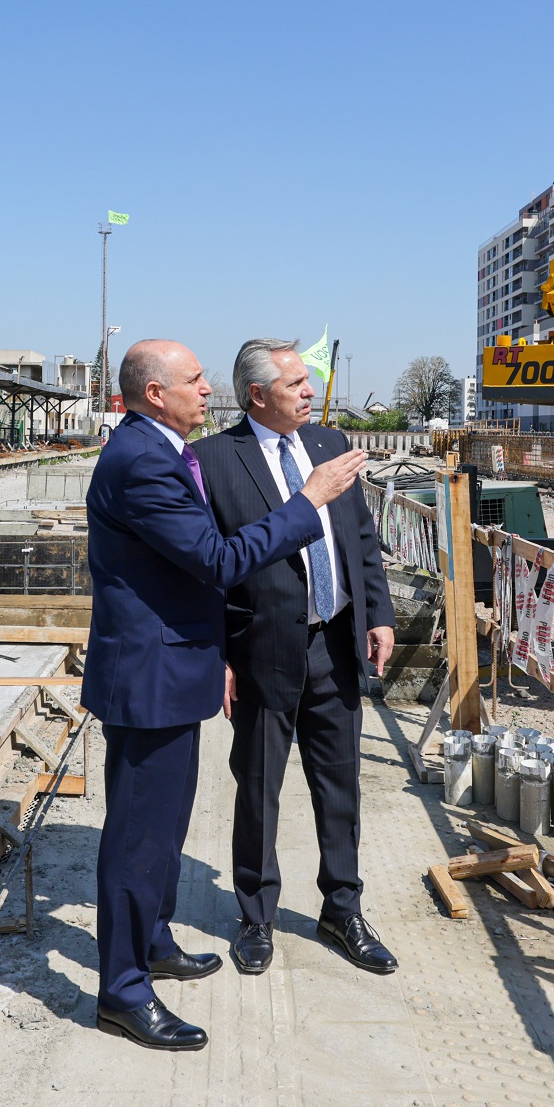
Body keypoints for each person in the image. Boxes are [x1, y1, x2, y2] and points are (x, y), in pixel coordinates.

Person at [83, 338, 366, 1050]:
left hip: (175, 671)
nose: (208, 390)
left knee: (165, 827)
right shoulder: (143, 461)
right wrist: (307, 502)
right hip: (150, 677)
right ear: (154, 393)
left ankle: (151, 941)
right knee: (137, 837)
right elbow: (217, 559)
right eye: (194, 379)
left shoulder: (163, 450)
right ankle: (121, 989)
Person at [196, 338, 397, 977]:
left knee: (340, 787)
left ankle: (343, 907)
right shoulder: (213, 462)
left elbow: (360, 540)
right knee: (259, 787)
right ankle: (256, 916)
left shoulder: (331, 446)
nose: (309, 392)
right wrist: (218, 658)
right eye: (295, 385)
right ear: (258, 395)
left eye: (309, 384)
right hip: (261, 651)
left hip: (335, 643)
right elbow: (207, 573)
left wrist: (379, 613)